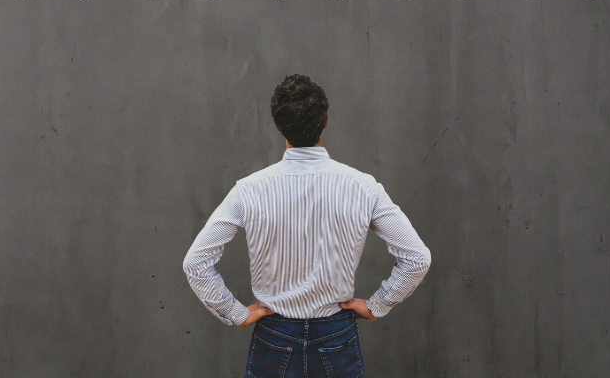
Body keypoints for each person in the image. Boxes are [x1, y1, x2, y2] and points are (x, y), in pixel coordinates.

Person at [183, 74, 431, 377]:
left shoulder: (249, 190)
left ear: (277, 125)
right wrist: (377, 305)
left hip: (274, 337)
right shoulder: (364, 188)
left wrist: (234, 312)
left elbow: (196, 263)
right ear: (325, 121)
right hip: (336, 335)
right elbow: (417, 259)